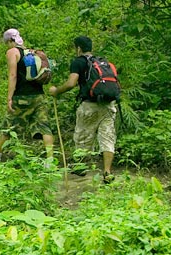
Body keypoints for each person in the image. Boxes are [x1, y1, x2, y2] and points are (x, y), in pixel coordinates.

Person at [48, 35, 118, 183]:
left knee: (83, 136)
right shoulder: (102, 62)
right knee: (107, 137)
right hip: (108, 105)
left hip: (89, 106)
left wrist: (56, 91)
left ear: (78, 48)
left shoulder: (78, 62)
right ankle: (107, 172)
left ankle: (81, 167)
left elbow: (71, 83)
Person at [0, 28, 55, 164]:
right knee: (44, 127)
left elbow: (13, 75)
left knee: (9, 125)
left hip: (22, 97)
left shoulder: (12, 52)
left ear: (10, 40)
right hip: (39, 96)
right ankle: (50, 161)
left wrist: (9, 98)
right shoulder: (31, 52)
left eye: (7, 43)